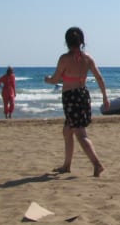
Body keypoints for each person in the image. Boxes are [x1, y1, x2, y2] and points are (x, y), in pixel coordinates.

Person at [44, 27, 110, 177]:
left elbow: (55, 79)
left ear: (67, 42)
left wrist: (47, 79)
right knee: (67, 131)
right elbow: (100, 78)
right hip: (83, 95)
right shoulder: (87, 58)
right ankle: (66, 165)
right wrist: (105, 97)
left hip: (71, 98)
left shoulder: (64, 59)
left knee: (80, 134)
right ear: (81, 42)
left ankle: (97, 164)